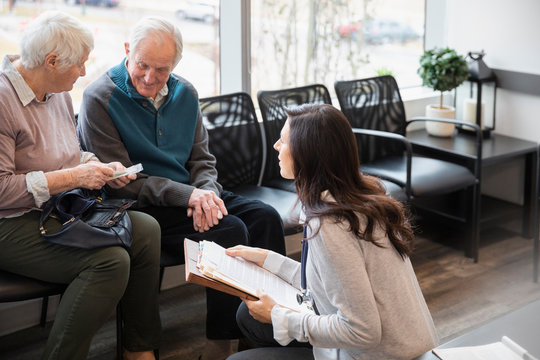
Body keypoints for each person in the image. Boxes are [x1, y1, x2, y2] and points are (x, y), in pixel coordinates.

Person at [77, 16, 286, 358]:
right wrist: (191, 195)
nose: (150, 77)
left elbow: (202, 160)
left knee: (265, 218)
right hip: (138, 205)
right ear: (128, 51)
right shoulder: (99, 97)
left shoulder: (185, 92)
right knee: (228, 230)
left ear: (175, 64)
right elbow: (121, 183)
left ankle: (264, 334)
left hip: (192, 194)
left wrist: (208, 196)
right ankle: (223, 342)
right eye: (143, 65)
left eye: (162, 69)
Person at [0, 11, 161, 360]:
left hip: (53, 209)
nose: (84, 72)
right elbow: (1, 191)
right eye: (79, 64)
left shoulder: (56, 90)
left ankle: (138, 347)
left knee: (147, 230)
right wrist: (74, 177)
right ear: (52, 61)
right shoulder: (3, 101)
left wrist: (99, 166)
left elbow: (67, 156)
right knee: (110, 262)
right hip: (8, 223)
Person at [225, 104, 439, 360]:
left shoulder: (331, 224)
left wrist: (278, 317)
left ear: (307, 154)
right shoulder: (354, 196)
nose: (276, 146)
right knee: (247, 316)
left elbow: (362, 331)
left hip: (380, 354)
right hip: (403, 341)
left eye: (283, 140)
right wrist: (269, 261)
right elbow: (328, 282)